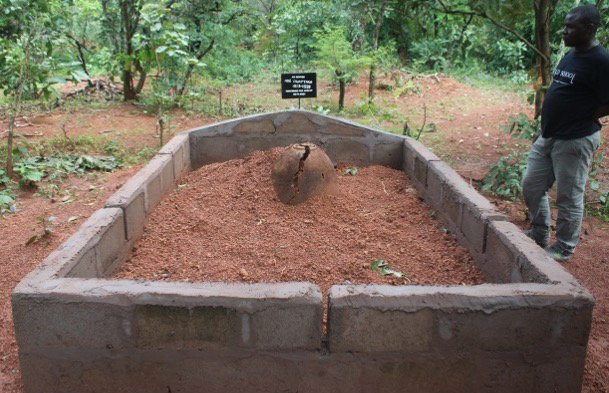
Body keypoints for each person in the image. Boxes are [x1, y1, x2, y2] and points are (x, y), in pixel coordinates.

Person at [523, 4, 609, 262]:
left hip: (575, 140)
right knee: (531, 185)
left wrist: (584, 117)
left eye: (571, 27)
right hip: (549, 136)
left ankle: (564, 246)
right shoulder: (572, 54)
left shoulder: (601, 61)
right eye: (565, 25)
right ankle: (539, 233)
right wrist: (545, 128)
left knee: (568, 196)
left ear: (590, 29)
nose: (564, 31)